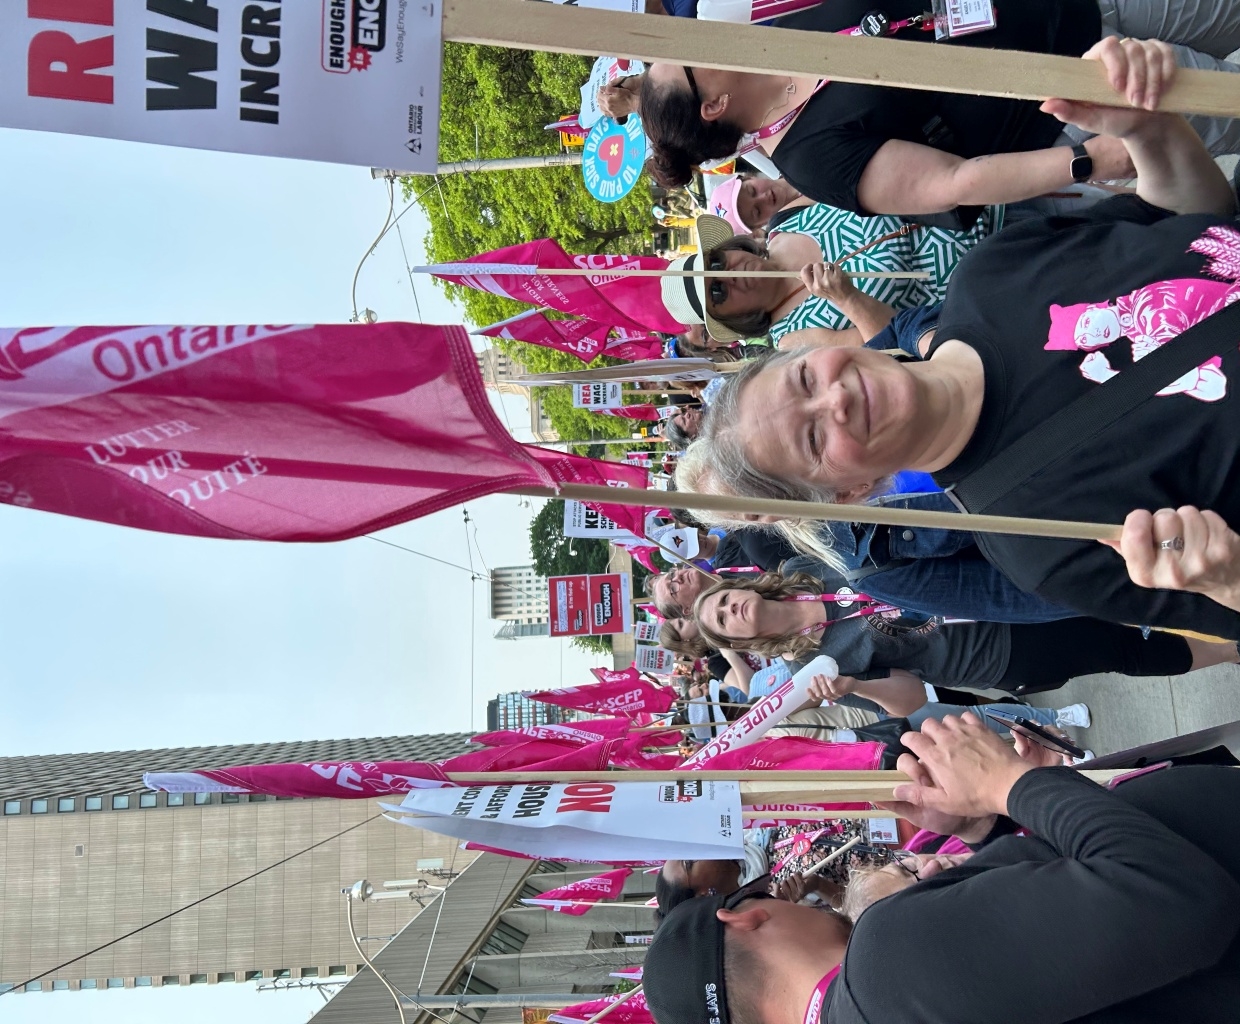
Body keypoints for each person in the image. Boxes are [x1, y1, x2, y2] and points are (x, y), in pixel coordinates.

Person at [687, 39, 1240, 639]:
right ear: (848, 492)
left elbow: (1193, 221)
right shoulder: (1044, 548)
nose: (834, 399)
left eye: (803, 380)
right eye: (813, 437)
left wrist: (1148, 131)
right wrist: (1226, 580)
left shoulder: (988, 275)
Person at [643, 713, 1240, 1024]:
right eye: (759, 894)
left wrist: (984, 827)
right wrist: (1010, 784)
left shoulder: (881, 992)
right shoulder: (885, 970)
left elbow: (1077, 958)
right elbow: (1175, 897)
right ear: (742, 920)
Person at [639, 3, 1240, 221]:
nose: (697, 35)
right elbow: (956, 182)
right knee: (1230, 99)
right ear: (713, 105)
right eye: (689, 57)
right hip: (1083, 93)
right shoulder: (811, 159)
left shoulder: (772, 25)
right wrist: (1093, 157)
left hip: (1074, 8)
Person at [674, 443, 1077, 623]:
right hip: (1095, 528)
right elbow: (1013, 595)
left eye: (754, 475)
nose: (775, 494)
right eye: (756, 507)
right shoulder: (866, 561)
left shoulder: (867, 416)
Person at [691, 570, 1237, 696]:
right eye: (721, 622)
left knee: (1110, 594)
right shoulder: (806, 672)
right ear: (737, 645)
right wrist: (855, 689)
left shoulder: (810, 567)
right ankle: (1229, 650)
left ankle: (1218, 605)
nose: (729, 609)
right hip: (996, 654)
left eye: (722, 599)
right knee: (1117, 646)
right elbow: (909, 700)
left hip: (993, 592)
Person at [665, 209, 1000, 349]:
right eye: (718, 291)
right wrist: (848, 299)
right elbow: (896, 347)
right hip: (993, 276)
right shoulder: (792, 339)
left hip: (985, 202)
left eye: (718, 262)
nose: (731, 273)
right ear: (730, 318)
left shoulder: (784, 224)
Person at [710, 173, 812, 236]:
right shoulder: (809, 226)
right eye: (757, 211)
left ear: (748, 177)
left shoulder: (790, 154)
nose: (763, 198)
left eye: (752, 191)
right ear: (759, 226)